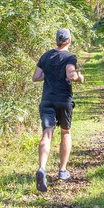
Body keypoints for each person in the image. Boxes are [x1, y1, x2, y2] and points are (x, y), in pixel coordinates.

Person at [32, 28, 85, 192]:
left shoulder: (46, 56)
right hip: (63, 100)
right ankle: (62, 170)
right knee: (65, 132)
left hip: (47, 100)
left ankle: (42, 168)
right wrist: (79, 77)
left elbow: (36, 77)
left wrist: (48, 75)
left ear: (57, 41)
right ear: (68, 41)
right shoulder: (70, 57)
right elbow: (71, 75)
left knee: (47, 134)